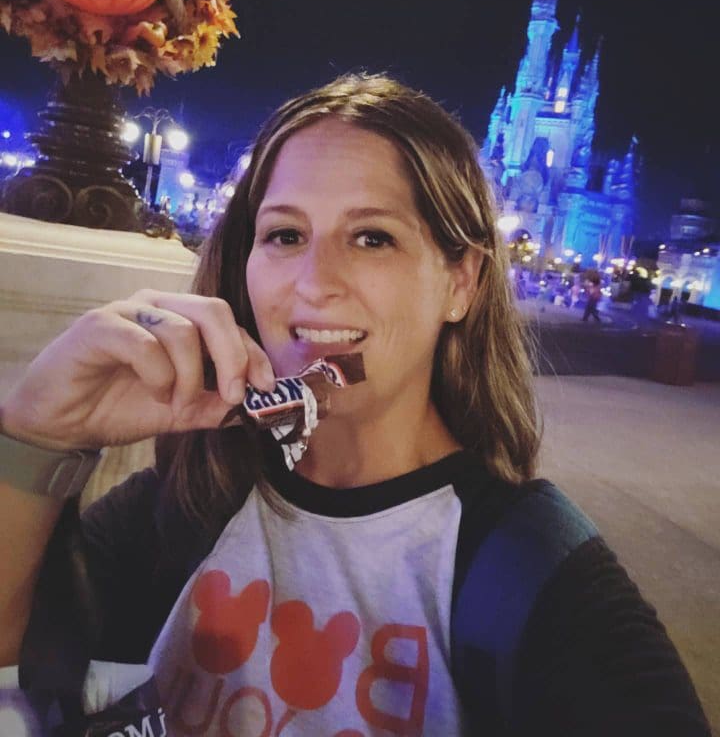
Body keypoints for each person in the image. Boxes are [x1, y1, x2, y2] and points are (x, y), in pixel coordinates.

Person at [0, 74, 710, 735]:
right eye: (284, 235)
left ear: (461, 281)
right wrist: (36, 432)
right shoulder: (190, 502)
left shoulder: (536, 578)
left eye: (373, 237)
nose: (315, 283)